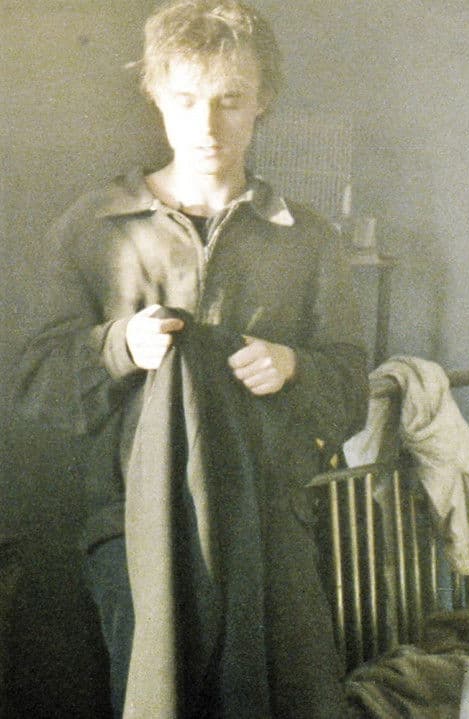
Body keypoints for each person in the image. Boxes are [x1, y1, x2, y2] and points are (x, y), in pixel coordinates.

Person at [16, 1, 368, 716]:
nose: (207, 125)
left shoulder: (308, 240)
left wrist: (294, 367)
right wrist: (119, 346)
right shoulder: (92, 229)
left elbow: (352, 390)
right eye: (186, 100)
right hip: (134, 531)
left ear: (263, 100)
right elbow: (33, 383)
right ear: (155, 96)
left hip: (270, 530)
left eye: (230, 100)